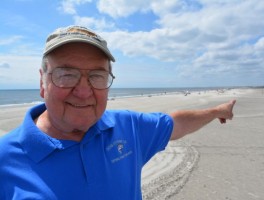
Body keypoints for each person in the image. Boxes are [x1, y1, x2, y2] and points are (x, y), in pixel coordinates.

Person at [0, 25, 236, 200]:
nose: (83, 92)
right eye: (66, 74)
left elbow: (176, 124)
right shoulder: (6, 159)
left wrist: (216, 111)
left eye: (97, 76)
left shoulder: (126, 127)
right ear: (43, 82)